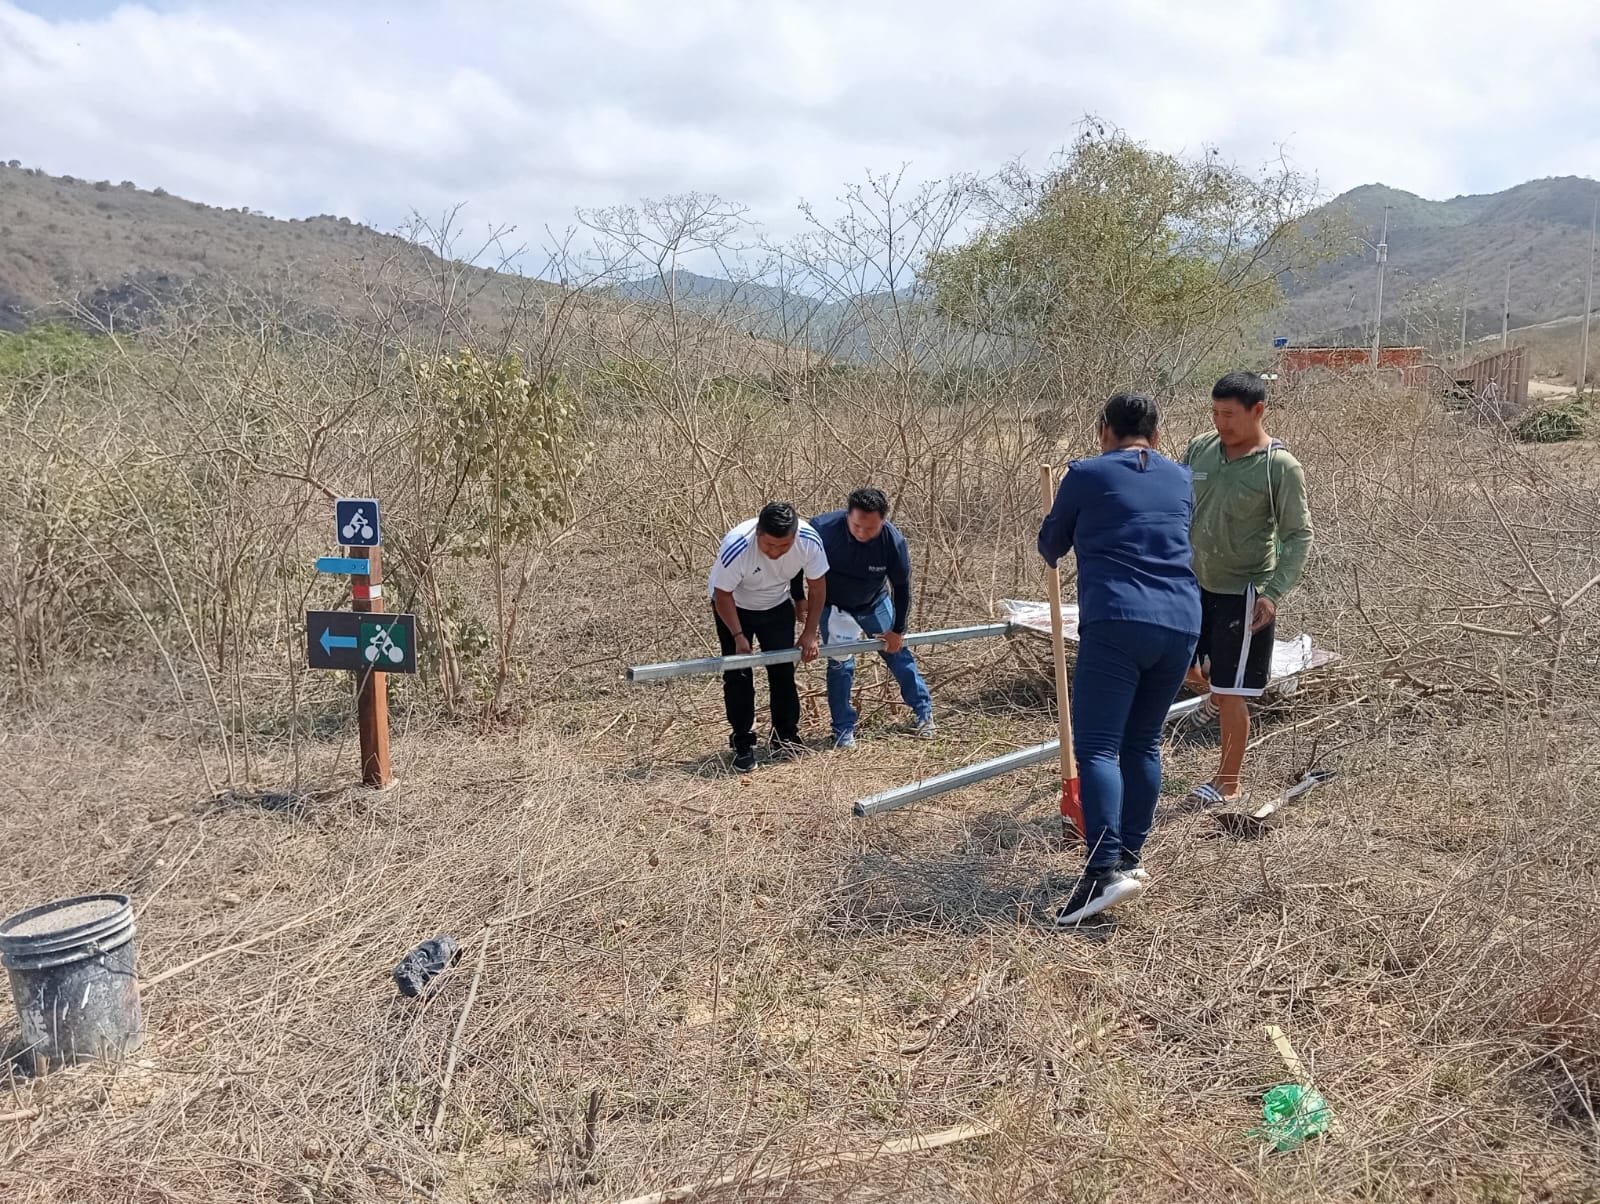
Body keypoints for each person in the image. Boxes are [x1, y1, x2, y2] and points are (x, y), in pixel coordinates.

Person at [1037, 392, 1202, 926]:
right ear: (1156, 435)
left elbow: (1050, 546)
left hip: (1117, 619)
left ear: (1104, 429)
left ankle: (1103, 871)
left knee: (1099, 749)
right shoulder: (1181, 478)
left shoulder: (1086, 474)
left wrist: (1059, 518)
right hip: (1181, 621)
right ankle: (1129, 857)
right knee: (1142, 742)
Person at [1180, 371, 1314, 808]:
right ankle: (1216, 693)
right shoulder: (1200, 449)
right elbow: (1179, 505)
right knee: (1184, 668)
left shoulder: (1279, 467)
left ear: (1258, 411)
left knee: (1234, 691)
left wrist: (1273, 593)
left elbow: (1298, 535)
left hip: (1244, 593)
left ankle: (1227, 783)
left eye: (1230, 415)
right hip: (1193, 583)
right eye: (1215, 413)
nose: (1220, 423)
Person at [802, 487, 935, 749]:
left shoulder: (893, 543)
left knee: (898, 654)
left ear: (883, 520)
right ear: (847, 516)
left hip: (874, 603)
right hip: (834, 606)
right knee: (840, 665)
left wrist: (898, 630)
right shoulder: (822, 529)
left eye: (870, 528)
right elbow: (797, 564)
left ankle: (924, 712)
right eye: (856, 526)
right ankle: (842, 730)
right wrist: (799, 599)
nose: (862, 533)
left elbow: (902, 588)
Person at [709, 502, 829, 773]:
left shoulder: (809, 541)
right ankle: (742, 742)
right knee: (738, 674)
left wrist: (810, 632)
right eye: (769, 545)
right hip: (735, 608)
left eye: (784, 546)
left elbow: (818, 587)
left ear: (795, 536)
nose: (775, 552)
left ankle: (785, 736)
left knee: (782, 671)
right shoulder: (737, 546)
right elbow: (722, 595)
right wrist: (738, 636)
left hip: (776, 606)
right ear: (758, 533)